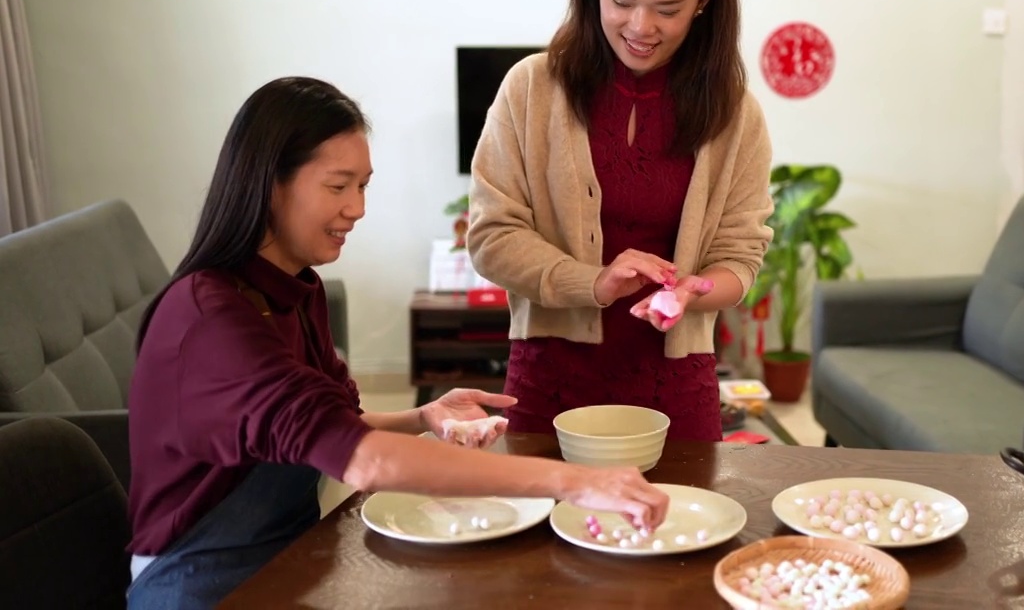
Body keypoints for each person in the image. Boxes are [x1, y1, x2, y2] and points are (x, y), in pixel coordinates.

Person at [125, 77, 669, 609]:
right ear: (270, 183)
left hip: (282, 562)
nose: (357, 209)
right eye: (338, 186)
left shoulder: (296, 288)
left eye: (363, 186)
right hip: (198, 583)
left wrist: (423, 415)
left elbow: (328, 428)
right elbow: (362, 462)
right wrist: (573, 483)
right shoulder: (211, 322)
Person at [466, 0, 774, 443]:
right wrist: (595, 282)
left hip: (675, 384)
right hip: (550, 380)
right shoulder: (531, 90)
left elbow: (740, 256)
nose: (640, 26)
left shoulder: (735, 113)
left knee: (683, 526)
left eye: (668, 9)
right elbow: (492, 237)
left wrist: (692, 291)